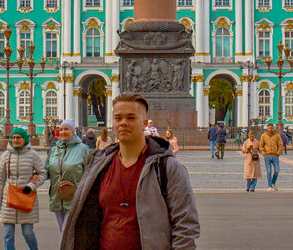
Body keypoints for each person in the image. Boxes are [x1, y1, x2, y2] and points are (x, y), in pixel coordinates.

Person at [59, 92, 200, 250]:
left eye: (131, 118)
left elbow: (186, 225)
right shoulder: (98, 165)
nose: (123, 123)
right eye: (118, 118)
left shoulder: (168, 168)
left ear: (145, 123)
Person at [0, 127, 45, 250]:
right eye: (13, 137)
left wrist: (31, 186)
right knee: (8, 234)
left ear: (24, 139)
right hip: (8, 198)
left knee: (28, 233)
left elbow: (42, 173)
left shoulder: (32, 155)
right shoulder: (6, 155)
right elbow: (0, 179)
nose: (15, 140)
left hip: (26, 197)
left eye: (18, 137)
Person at [46, 119, 90, 233]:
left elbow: (89, 173)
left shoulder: (83, 149)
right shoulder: (54, 150)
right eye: (61, 129)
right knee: (63, 231)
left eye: (66, 129)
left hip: (75, 198)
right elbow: (47, 170)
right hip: (57, 196)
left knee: (69, 231)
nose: (63, 132)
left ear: (73, 132)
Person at [260, 122, 283, 191]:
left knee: (276, 171)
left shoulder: (277, 136)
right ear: (267, 128)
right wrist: (263, 153)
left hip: (275, 155)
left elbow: (280, 145)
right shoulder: (263, 136)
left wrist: (278, 153)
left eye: (272, 128)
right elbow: (261, 145)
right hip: (267, 155)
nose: (271, 129)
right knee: (269, 171)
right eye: (269, 128)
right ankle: (270, 186)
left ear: (273, 128)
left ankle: (273, 182)